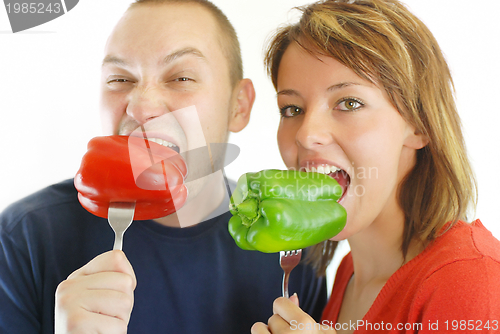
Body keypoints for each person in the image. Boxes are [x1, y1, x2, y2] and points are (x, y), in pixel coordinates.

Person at [0, 1, 327, 333]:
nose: (142, 107)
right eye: (119, 79)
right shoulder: (22, 239)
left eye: (181, 77)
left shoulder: (292, 251)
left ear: (238, 107)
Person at [251, 0, 500, 333]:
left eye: (349, 103)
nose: (307, 135)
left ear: (419, 126)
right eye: (292, 109)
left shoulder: (472, 278)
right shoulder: (348, 274)